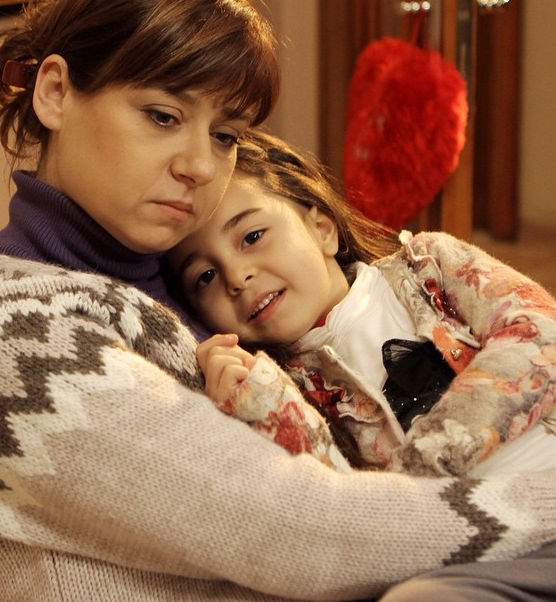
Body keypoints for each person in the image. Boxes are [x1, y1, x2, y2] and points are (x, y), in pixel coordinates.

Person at [0, 0, 556, 602]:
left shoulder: (197, 304)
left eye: (224, 135)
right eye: (162, 116)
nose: (200, 165)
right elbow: (311, 534)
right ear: (55, 92)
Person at [168, 128, 556, 479]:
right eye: (205, 276)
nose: (236, 277)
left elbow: (540, 331)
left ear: (322, 230)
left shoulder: (430, 265)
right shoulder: (282, 390)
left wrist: (427, 462)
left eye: (252, 236)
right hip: (464, 522)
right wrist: (255, 405)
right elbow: (328, 497)